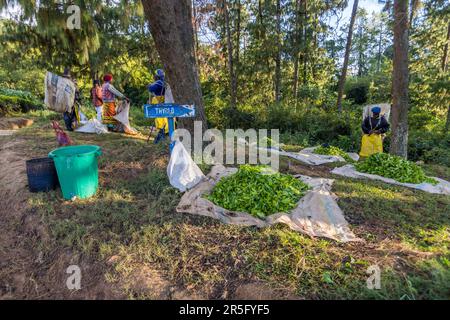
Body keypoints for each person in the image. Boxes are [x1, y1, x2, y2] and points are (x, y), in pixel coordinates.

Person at [147, 69, 169, 143]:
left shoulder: (159, 82)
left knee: (160, 119)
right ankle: (163, 133)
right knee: (163, 119)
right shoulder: (165, 83)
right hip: (164, 102)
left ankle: (162, 134)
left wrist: (149, 85)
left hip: (158, 102)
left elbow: (151, 88)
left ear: (157, 76)